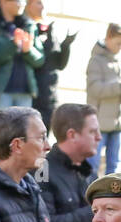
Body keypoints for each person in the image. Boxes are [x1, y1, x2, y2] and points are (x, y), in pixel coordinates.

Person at [84, 23, 121, 175]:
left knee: (115, 167)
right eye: (118, 43)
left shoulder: (119, 61)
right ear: (108, 39)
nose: (120, 47)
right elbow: (95, 89)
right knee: (93, 165)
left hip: (117, 123)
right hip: (100, 123)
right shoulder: (96, 61)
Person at [25, 0, 72, 130]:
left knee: (44, 137)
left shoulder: (50, 30)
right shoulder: (25, 27)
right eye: (39, 3)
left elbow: (59, 64)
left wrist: (66, 45)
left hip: (49, 95)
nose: (43, 7)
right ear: (28, 5)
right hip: (32, 94)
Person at [0, 0, 43, 111]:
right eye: (17, 0)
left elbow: (40, 60)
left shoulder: (29, 25)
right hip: (0, 92)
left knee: (23, 128)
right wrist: (13, 44)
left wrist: (28, 50)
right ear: (3, 2)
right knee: (0, 127)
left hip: (25, 92)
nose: (22, 3)